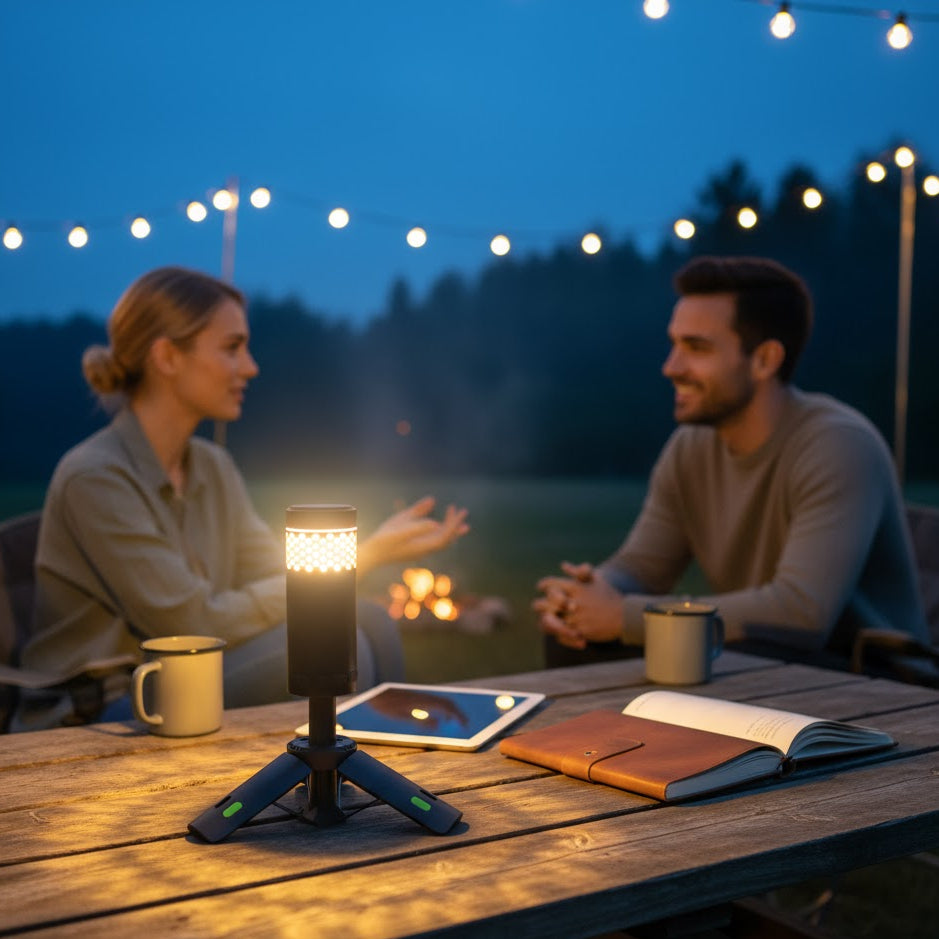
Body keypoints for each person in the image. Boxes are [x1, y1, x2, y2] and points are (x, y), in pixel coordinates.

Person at [13, 266, 469, 731]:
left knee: (369, 619)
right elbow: (190, 623)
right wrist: (362, 556)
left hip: (188, 673)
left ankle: (376, 773)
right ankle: (340, 781)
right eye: (232, 348)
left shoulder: (212, 466)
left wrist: (359, 554)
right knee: (333, 640)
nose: (250, 367)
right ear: (168, 357)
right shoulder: (95, 477)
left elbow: (274, 573)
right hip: (104, 705)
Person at [534, 255, 928, 670]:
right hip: (765, 658)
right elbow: (641, 567)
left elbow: (802, 613)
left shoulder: (838, 446)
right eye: (674, 344)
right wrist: (585, 597)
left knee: (725, 655)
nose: (671, 367)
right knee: (577, 641)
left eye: (696, 348)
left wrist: (625, 616)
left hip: (868, 672)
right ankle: (597, 737)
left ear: (765, 360)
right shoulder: (691, 448)